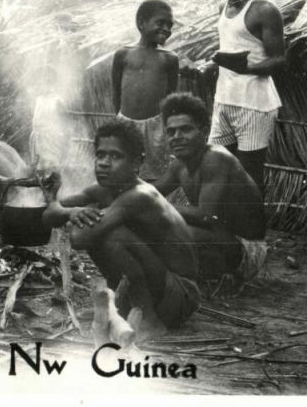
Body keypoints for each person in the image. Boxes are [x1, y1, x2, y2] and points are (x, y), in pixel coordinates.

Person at [43, 119, 199, 339]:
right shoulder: (102, 190)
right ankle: (126, 306)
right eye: (100, 155)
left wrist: (72, 213)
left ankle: (149, 320)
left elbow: (80, 238)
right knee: (101, 229)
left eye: (116, 156)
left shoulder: (141, 196)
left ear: (137, 163)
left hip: (179, 296)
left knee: (111, 235)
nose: (104, 163)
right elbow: (49, 215)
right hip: (159, 286)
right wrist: (70, 212)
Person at [155, 93, 267, 291]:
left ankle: (219, 277)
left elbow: (206, 216)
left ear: (204, 132)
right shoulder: (179, 165)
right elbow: (149, 191)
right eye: (171, 132)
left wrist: (157, 204)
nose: (177, 137)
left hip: (246, 250)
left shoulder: (216, 158)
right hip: (218, 238)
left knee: (167, 231)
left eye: (185, 129)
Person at [206, 0, 284, 193]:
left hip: (254, 103)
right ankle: (225, 229)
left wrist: (247, 69)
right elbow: (228, 50)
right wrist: (212, 65)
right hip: (225, 98)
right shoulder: (223, 5)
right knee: (216, 164)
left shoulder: (265, 9)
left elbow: (279, 59)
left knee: (249, 174)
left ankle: (253, 233)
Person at [111, 0, 179, 180]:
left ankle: (152, 205)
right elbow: (116, 91)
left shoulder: (169, 59)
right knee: (123, 171)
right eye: (160, 23)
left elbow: (170, 97)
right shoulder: (123, 54)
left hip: (156, 127)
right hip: (125, 123)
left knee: (155, 173)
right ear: (141, 23)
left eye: (169, 25)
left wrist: (165, 127)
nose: (166, 29)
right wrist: (118, 121)